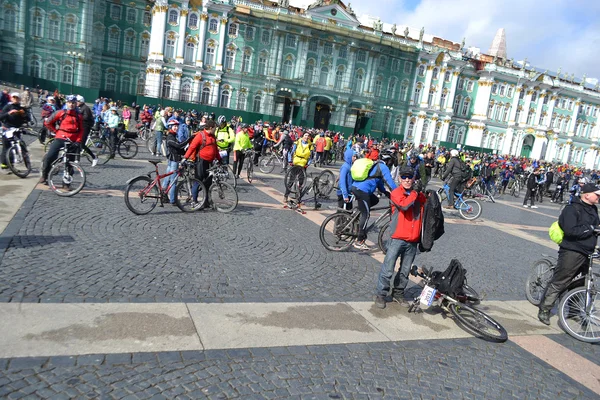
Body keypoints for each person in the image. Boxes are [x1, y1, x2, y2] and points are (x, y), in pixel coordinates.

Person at [538, 183, 600, 325]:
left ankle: (573, 311)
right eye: (597, 194)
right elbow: (571, 231)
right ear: (587, 194)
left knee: (580, 283)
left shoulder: (594, 210)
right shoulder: (572, 209)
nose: (599, 197)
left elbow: (596, 228)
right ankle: (545, 309)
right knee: (561, 281)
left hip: (587, 252)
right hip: (572, 250)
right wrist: (591, 228)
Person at [374, 165, 427, 309]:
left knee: (405, 270)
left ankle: (398, 293)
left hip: (413, 239)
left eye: (410, 177)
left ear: (414, 178)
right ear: (399, 178)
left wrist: (423, 192)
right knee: (388, 268)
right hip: (398, 238)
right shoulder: (396, 193)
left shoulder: (417, 195)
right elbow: (404, 205)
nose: (407, 180)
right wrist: (415, 193)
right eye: (404, 177)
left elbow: (427, 205)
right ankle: (381, 294)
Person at [350, 151, 398, 250]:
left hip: (357, 188)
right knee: (366, 214)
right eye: (391, 162)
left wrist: (387, 193)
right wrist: (399, 193)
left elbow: (379, 183)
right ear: (388, 161)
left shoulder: (376, 166)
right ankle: (359, 241)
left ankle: (359, 211)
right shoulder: (383, 167)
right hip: (362, 191)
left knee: (375, 200)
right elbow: (390, 182)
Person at [41, 95, 83, 184]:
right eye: (69, 103)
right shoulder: (61, 113)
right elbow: (48, 122)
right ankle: (44, 176)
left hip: (73, 140)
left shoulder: (78, 116)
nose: (71, 105)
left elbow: (82, 130)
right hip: (60, 137)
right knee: (50, 156)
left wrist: (78, 141)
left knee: (70, 162)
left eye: (73, 103)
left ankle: (67, 183)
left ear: (75, 104)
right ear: (66, 103)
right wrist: (56, 131)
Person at [182, 119, 221, 208]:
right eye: (215, 128)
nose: (216, 130)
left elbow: (215, 149)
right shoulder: (200, 135)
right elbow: (192, 147)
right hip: (201, 162)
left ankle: (206, 202)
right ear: (210, 128)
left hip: (210, 163)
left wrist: (219, 159)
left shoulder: (213, 136)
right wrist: (185, 158)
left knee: (208, 183)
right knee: (198, 182)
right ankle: (194, 201)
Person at [163, 120, 189, 205]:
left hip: (171, 160)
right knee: (173, 181)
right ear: (170, 127)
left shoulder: (174, 136)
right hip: (173, 161)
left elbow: (178, 149)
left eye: (177, 126)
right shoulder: (170, 137)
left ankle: (163, 195)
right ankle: (173, 200)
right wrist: (189, 139)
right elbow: (178, 146)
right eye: (174, 126)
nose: (176, 127)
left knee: (167, 179)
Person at [0, 92, 28, 170]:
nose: (15, 99)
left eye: (17, 98)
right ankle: (4, 164)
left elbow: (27, 119)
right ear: (11, 98)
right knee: (6, 147)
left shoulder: (21, 108)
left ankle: (12, 163)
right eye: (13, 97)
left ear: (19, 99)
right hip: (7, 129)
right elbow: (1, 117)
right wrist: (9, 113)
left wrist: (24, 115)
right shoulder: (7, 107)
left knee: (18, 145)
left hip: (17, 129)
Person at [76, 95, 98, 167]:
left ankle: (94, 157)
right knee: (77, 143)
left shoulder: (86, 108)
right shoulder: (79, 107)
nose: (76, 102)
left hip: (85, 128)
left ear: (81, 101)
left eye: (78, 101)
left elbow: (86, 117)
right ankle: (77, 160)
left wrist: (78, 116)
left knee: (82, 145)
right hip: (80, 127)